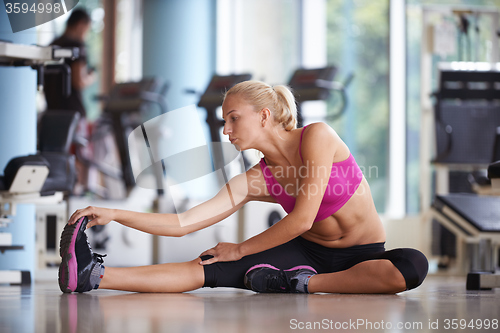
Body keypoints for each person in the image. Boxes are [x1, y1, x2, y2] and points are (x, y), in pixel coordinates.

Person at [58, 80, 428, 294]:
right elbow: (184, 222)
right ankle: (93, 275)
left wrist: (241, 249)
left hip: (363, 254)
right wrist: (115, 213)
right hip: (307, 253)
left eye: (234, 118)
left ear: (264, 116)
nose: (226, 130)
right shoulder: (254, 179)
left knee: (411, 265)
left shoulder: (317, 136)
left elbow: (301, 219)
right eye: (224, 121)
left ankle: (299, 285)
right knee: (208, 265)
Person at [43, 8, 96, 195]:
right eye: (87, 28)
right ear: (81, 25)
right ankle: (78, 195)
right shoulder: (77, 47)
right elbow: (78, 80)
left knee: (57, 155)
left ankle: (62, 193)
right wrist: (91, 77)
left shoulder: (54, 44)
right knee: (80, 155)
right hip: (73, 111)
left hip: (52, 111)